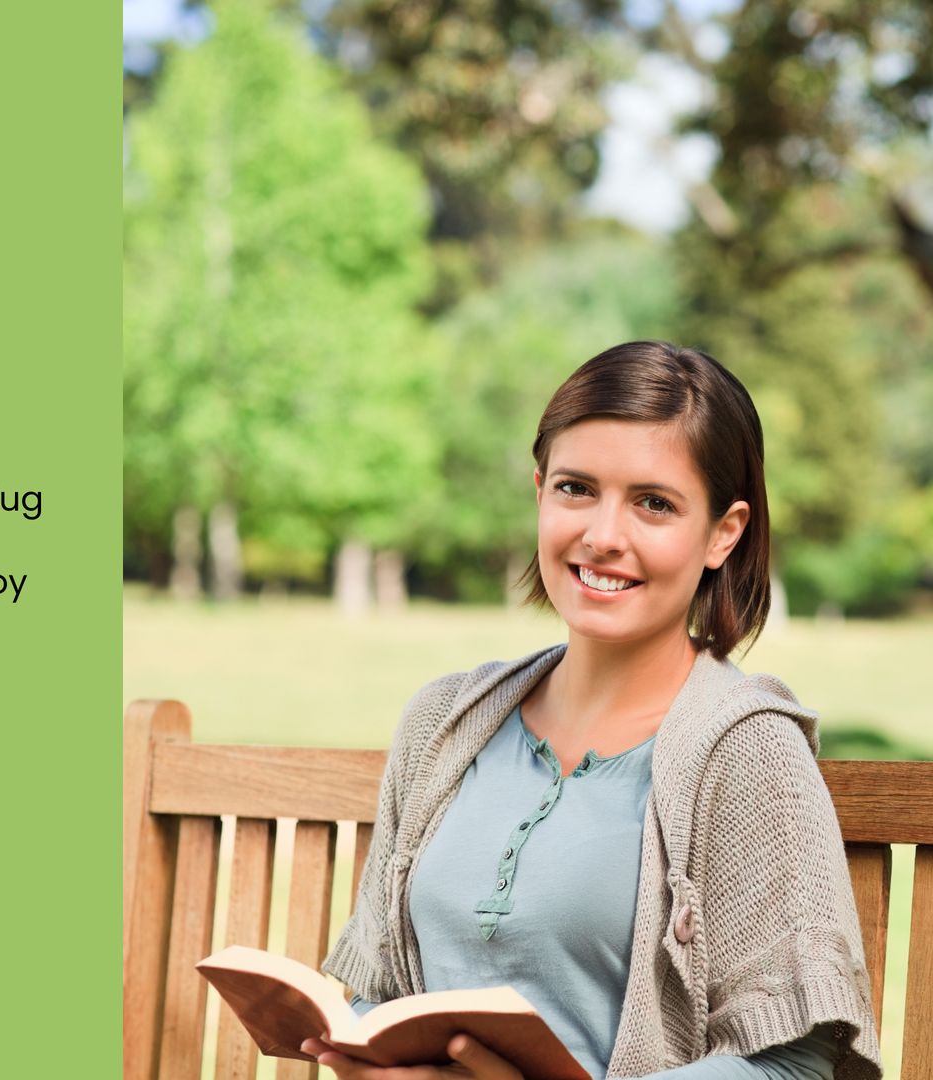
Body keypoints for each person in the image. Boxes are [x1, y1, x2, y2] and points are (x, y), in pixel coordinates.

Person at [303, 342, 882, 1080]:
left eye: (654, 503)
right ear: (540, 492)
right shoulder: (443, 722)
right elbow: (379, 994)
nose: (603, 537)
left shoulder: (748, 750)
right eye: (576, 489)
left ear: (723, 532)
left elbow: (794, 1068)